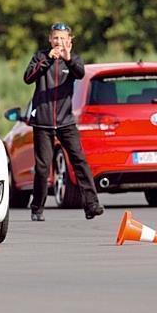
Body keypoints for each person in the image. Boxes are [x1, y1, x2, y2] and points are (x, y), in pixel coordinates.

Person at [23, 22, 104, 221]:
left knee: (80, 161)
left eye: (63, 38)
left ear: (70, 41)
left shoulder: (73, 60)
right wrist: (46, 61)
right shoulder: (40, 57)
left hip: (66, 121)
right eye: (56, 38)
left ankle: (91, 205)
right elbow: (28, 77)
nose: (59, 42)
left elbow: (80, 73)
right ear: (50, 39)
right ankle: (37, 208)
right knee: (43, 167)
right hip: (42, 122)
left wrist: (67, 59)